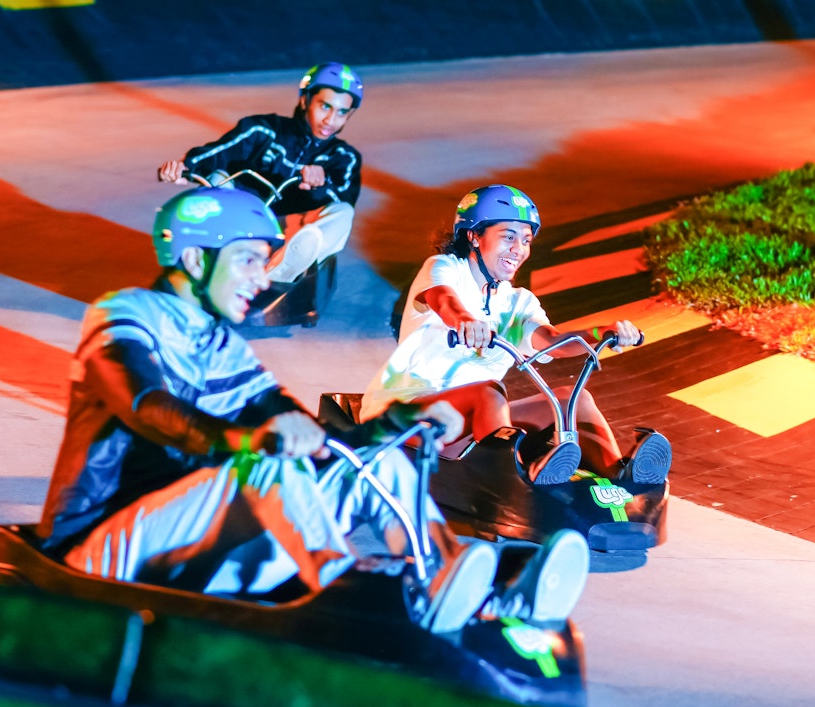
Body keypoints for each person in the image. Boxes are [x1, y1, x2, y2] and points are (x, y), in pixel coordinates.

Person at [35, 185, 590, 634]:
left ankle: (466, 591)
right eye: (249, 260)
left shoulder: (221, 343)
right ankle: (348, 590)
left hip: (195, 531)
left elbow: (289, 419)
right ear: (192, 259)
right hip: (107, 543)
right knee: (270, 465)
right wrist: (247, 443)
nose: (263, 277)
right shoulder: (124, 314)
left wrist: (394, 428)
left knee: (381, 464)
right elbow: (144, 404)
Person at [361, 184, 672, 487]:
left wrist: (603, 332)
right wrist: (466, 322)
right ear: (474, 236)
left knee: (572, 400)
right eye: (508, 237)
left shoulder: (517, 301)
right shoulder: (444, 268)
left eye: (525, 240)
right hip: (405, 416)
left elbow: (552, 342)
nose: (518, 249)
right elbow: (445, 301)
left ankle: (622, 478)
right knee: (488, 392)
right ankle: (513, 481)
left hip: (475, 426)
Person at [156, 62, 363, 288]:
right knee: (217, 178)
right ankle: (214, 262)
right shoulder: (262, 130)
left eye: (342, 112)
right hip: (243, 223)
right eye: (325, 106)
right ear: (305, 100)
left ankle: (276, 274)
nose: (331, 121)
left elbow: (344, 195)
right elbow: (216, 153)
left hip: (290, 231)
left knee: (343, 212)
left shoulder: (343, 157)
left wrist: (320, 186)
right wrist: (185, 168)